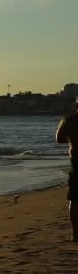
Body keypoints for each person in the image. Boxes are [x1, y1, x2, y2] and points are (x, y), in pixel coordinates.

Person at [57, 100, 78, 242]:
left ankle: (76, 233)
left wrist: (72, 139)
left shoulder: (68, 120)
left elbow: (59, 139)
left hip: (76, 159)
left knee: (75, 198)